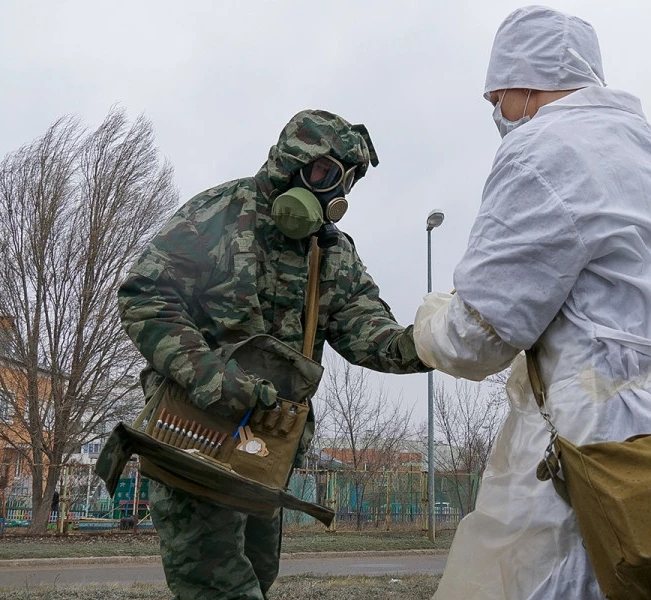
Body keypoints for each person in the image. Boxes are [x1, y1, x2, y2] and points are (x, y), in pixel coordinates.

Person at [413, 6, 651, 600]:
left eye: (496, 97)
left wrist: (429, 320)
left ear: (522, 84)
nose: (496, 112)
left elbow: (480, 335)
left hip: (607, 456)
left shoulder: (540, 149)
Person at [119, 109, 429, 600]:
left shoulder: (330, 253)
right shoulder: (217, 216)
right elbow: (145, 297)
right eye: (324, 174)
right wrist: (210, 376)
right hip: (194, 436)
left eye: (343, 184)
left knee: (258, 575)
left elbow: (368, 331)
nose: (332, 195)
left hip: (263, 452)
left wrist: (435, 342)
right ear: (290, 162)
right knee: (218, 586)